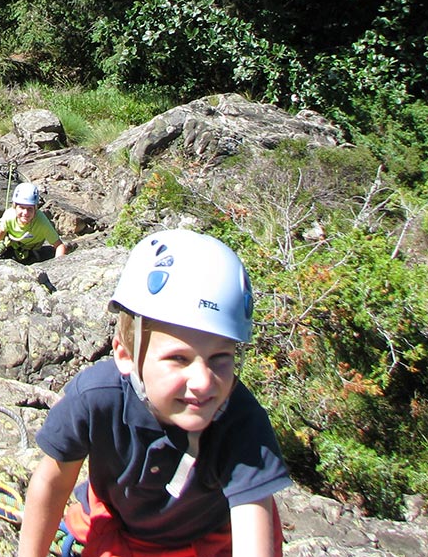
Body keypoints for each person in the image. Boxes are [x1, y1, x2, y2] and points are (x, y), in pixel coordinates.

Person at [17, 229, 291, 557]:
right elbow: (52, 483)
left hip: (210, 539)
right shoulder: (96, 399)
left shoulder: (242, 423)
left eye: (221, 358)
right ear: (125, 355)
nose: (203, 381)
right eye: (179, 358)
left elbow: (251, 532)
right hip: (119, 523)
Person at [0, 182, 67, 263]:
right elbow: (1, 232)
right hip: (10, 244)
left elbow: (59, 245)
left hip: (31, 250)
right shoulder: (9, 216)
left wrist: (58, 263)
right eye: (22, 207)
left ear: (36, 208)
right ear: (14, 206)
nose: (25, 213)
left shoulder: (41, 222)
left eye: (30, 208)